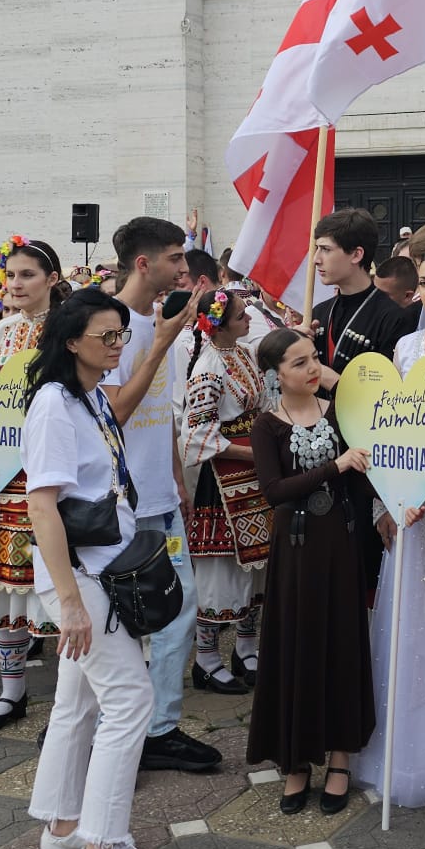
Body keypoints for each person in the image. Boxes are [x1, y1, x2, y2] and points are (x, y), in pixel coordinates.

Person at [23, 289, 175, 849]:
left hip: (103, 569)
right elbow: (42, 505)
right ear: (71, 342)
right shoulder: (56, 406)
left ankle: (62, 827)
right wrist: (71, 604)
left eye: (121, 335)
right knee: (131, 700)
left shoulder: (88, 397)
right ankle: (102, 848)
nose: (117, 345)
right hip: (84, 577)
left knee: (78, 703)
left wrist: (157, 342)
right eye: (106, 337)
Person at [351, 245, 425, 817]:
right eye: (424, 281)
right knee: (412, 619)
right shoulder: (405, 347)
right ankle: (412, 746)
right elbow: (388, 425)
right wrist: (390, 497)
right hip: (413, 508)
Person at [106, 217, 219, 773]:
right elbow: (112, 415)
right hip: (119, 505)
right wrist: (161, 342)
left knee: (178, 611)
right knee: (119, 620)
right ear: (144, 264)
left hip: (161, 498)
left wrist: (176, 476)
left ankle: (161, 727)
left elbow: (164, 415)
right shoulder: (111, 326)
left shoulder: (163, 321)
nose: (184, 267)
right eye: (176, 257)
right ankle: (111, 727)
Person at [247, 328, 375, 814]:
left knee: (341, 642)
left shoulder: (338, 412)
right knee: (296, 645)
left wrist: (390, 507)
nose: (312, 368)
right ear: (276, 375)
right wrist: (335, 468)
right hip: (296, 548)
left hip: (341, 542)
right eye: (298, 363)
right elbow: (274, 490)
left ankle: (340, 757)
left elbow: (361, 476)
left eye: (314, 358)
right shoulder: (267, 425)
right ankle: (297, 760)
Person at [0, 237, 64, 731]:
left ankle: (68, 697)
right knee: (3, 584)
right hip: (1, 469)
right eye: (12, 276)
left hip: (48, 469)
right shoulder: (1, 331)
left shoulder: (67, 329)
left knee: (52, 580)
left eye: (28, 275)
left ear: (52, 280)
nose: (17, 284)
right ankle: (12, 690)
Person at [180, 288, 270, 696]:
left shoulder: (244, 354)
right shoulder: (208, 366)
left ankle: (247, 649)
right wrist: (250, 453)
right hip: (225, 482)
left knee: (257, 568)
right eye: (240, 316)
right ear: (218, 324)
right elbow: (197, 436)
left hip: (255, 474)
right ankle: (207, 658)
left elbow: (262, 406)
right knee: (222, 573)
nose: (248, 319)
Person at [311, 209, 414, 389]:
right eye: (316, 248)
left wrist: (327, 377)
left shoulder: (393, 318)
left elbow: (387, 392)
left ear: (357, 255)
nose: (316, 259)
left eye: (326, 249)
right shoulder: (319, 312)